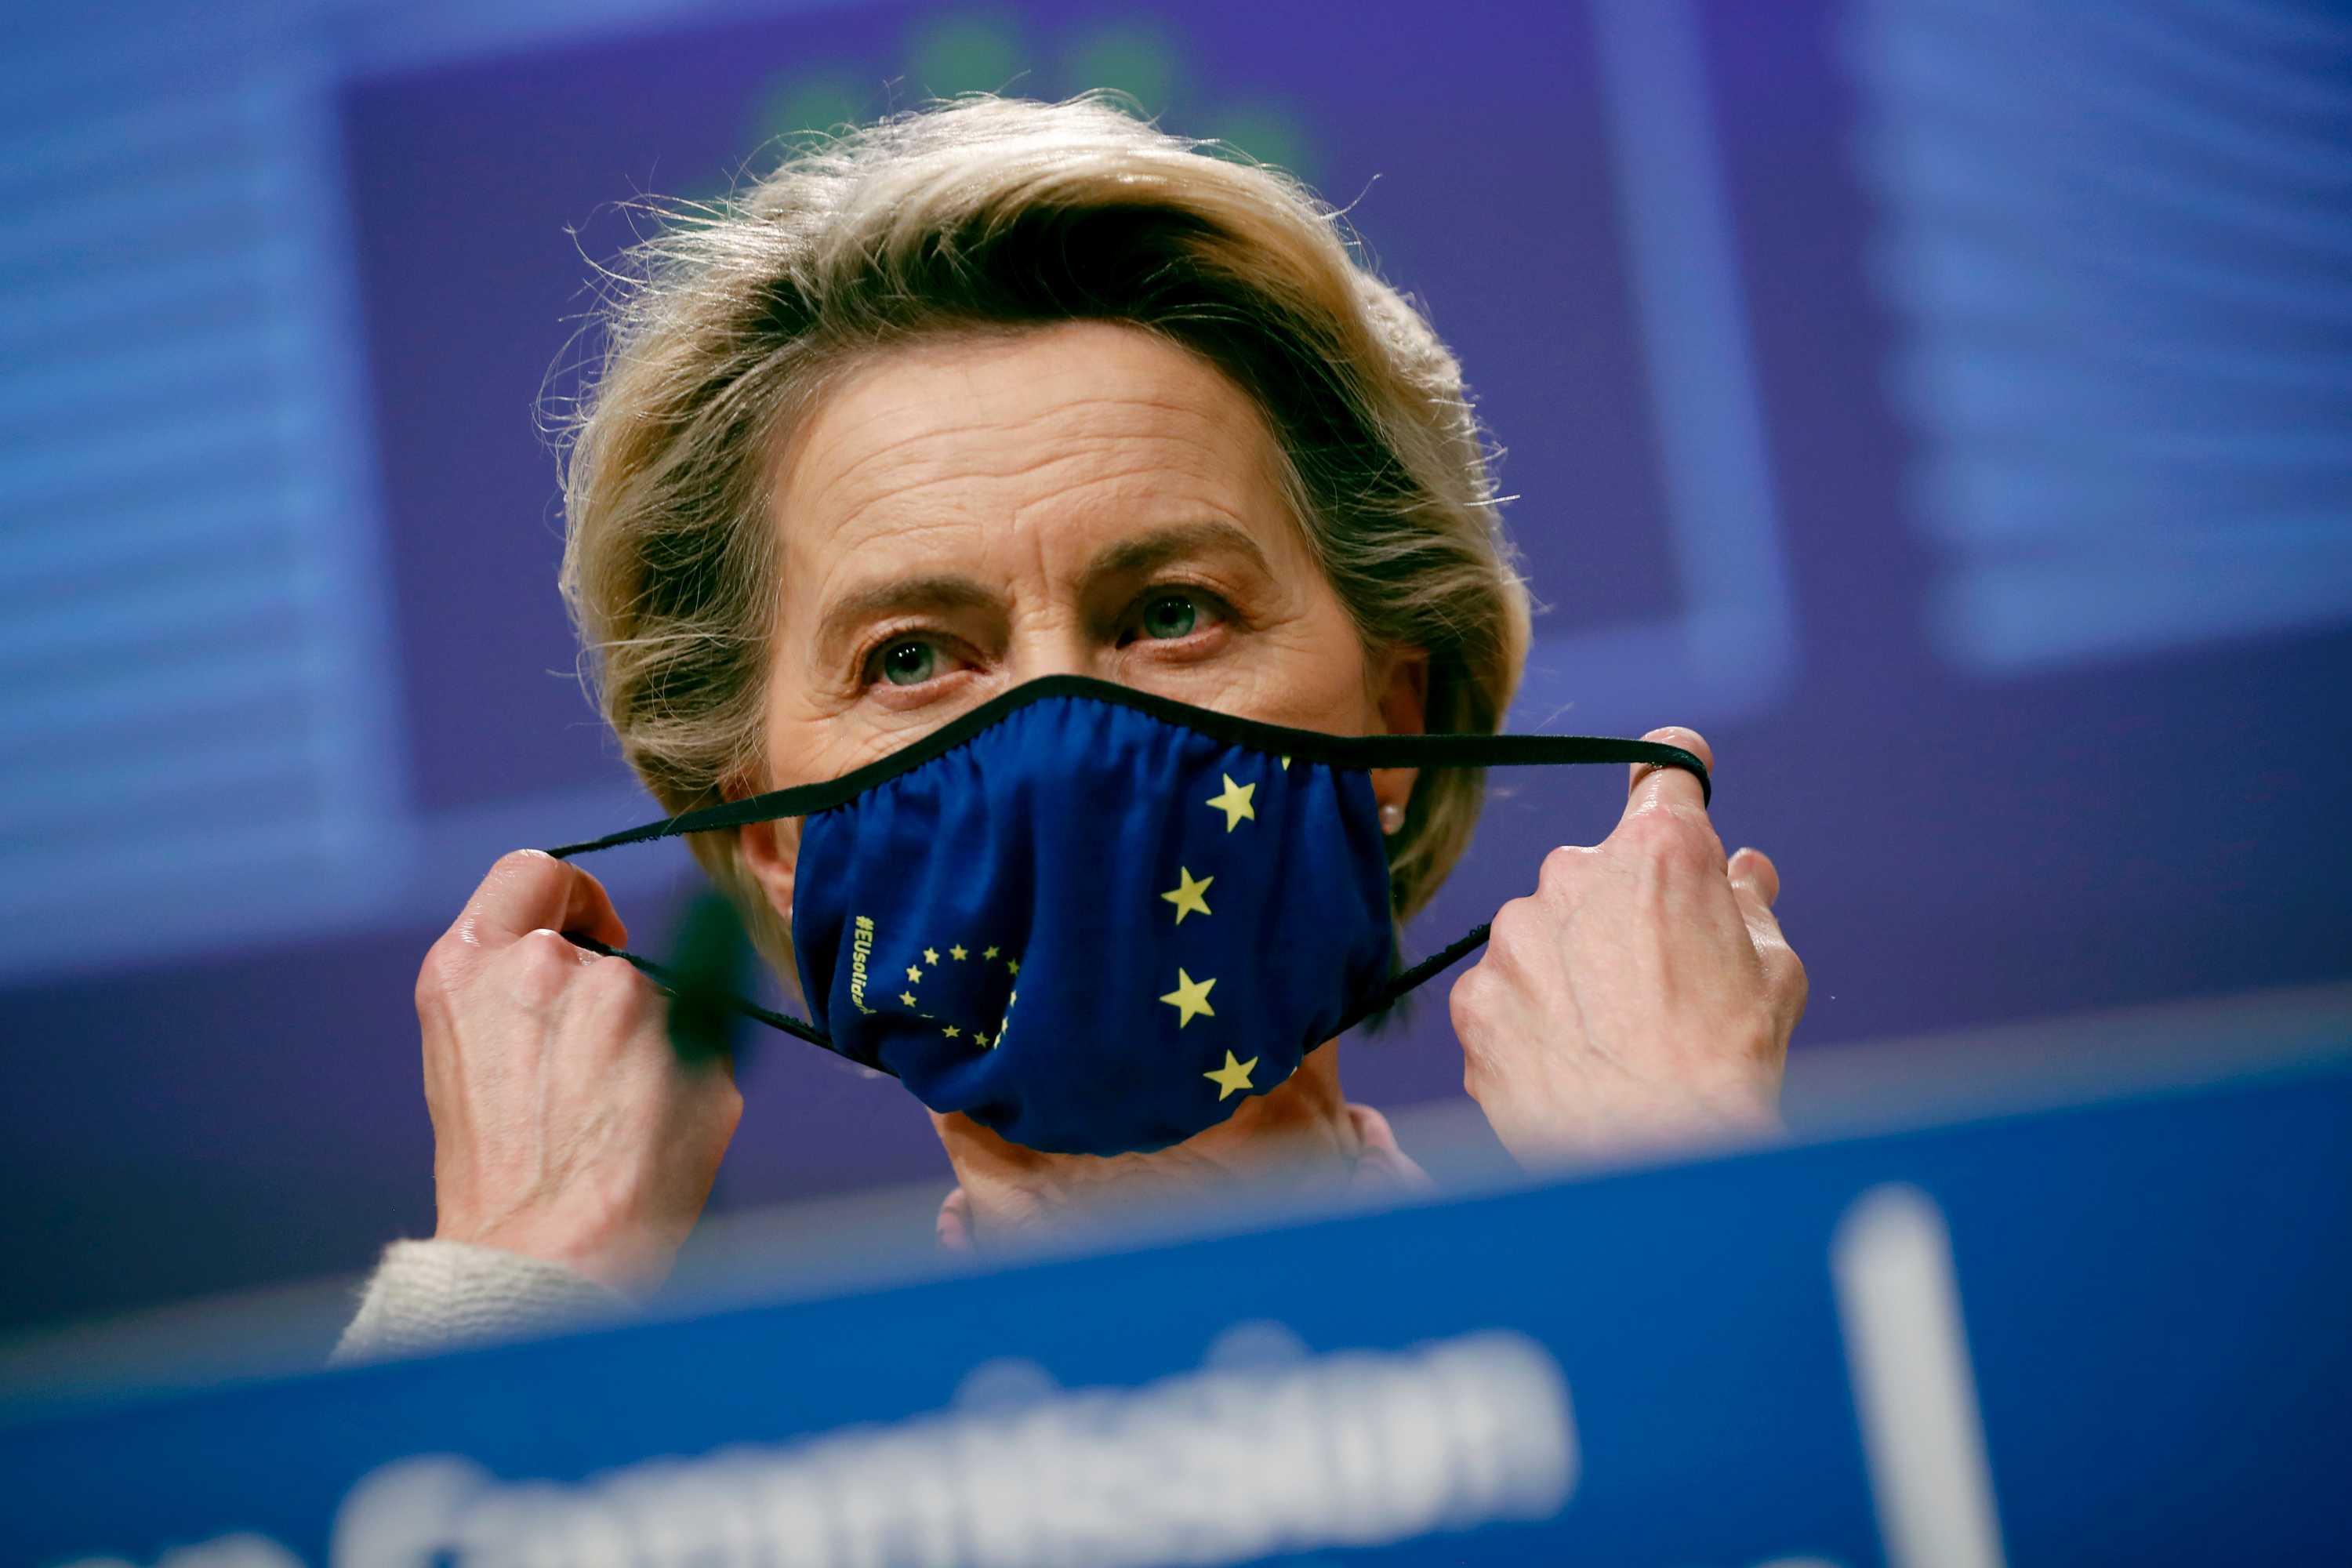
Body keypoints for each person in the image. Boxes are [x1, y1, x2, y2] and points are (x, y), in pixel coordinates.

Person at [334, 95, 1805, 1361]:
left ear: (1396, 721)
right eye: (914, 658)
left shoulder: (1651, 1297)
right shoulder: (693, 1509)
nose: (1064, 743)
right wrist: (518, 1280)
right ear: (774, 835)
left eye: (1171, 612)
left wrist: (1687, 1206)